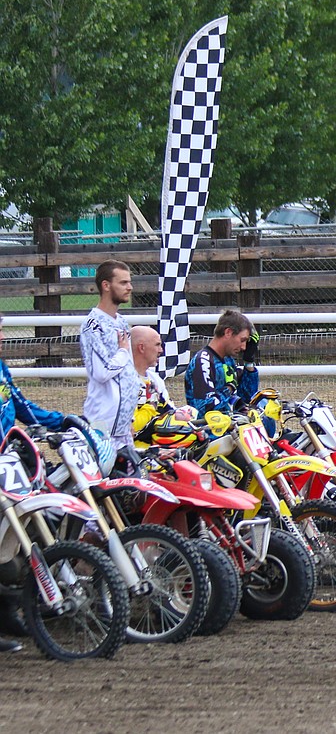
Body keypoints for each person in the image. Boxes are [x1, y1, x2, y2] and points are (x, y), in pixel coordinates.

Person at [0, 313, 66, 654]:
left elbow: (23, 407)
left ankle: (9, 610)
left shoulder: (1, 368)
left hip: (6, 462)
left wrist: (62, 420)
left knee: (18, 533)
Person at [80, 260, 139, 450]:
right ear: (106, 285)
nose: (129, 288)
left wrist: (129, 419)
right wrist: (122, 352)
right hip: (103, 426)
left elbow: (128, 372)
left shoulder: (121, 322)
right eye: (123, 283)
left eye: (129, 282)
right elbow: (101, 372)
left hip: (122, 427)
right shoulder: (93, 325)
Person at [184, 310, 259, 419]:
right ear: (228, 332)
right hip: (210, 432)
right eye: (242, 340)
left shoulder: (228, 360)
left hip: (231, 427)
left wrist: (249, 363)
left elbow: (248, 398)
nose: (244, 347)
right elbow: (205, 408)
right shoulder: (203, 361)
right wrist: (229, 388)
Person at [130, 326, 195, 423]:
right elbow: (132, 426)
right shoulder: (123, 380)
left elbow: (171, 412)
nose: (161, 350)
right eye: (157, 345)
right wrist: (151, 405)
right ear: (141, 348)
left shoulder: (155, 379)